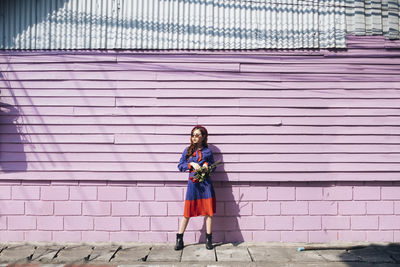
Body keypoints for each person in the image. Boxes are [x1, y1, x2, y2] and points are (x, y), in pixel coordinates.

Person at [175, 125, 216, 250]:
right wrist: (191, 164)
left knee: (209, 212)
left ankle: (208, 240)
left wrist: (206, 166)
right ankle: (179, 239)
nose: (194, 138)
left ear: (203, 137)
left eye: (197, 135)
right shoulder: (187, 150)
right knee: (187, 212)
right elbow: (180, 165)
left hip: (205, 184)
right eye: (193, 135)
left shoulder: (207, 152)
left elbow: (214, 166)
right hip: (193, 185)